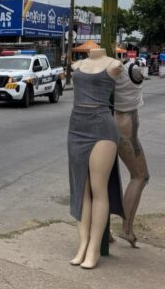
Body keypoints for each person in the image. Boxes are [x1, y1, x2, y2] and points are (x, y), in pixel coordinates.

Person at [67, 48, 124, 269]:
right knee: (81, 187)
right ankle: (82, 245)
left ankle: (94, 249)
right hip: (76, 127)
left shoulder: (114, 65)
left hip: (102, 126)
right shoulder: (76, 65)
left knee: (99, 188)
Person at [112, 57, 149, 248]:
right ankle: (126, 229)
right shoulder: (134, 69)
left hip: (110, 119)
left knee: (106, 179)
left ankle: (103, 229)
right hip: (126, 124)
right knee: (141, 176)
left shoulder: (110, 68)